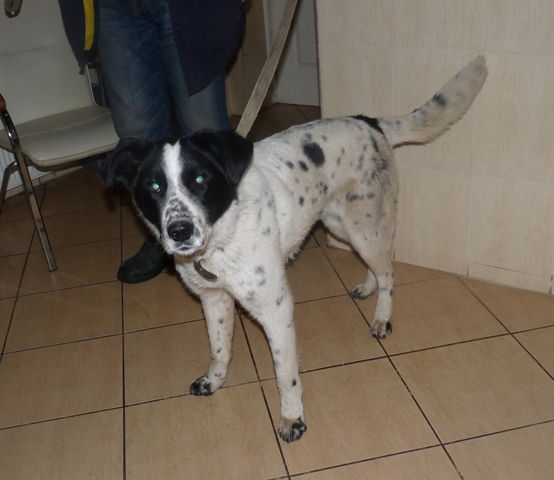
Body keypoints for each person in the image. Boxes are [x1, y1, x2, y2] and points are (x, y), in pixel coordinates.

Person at [58, 0, 246, 283]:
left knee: (204, 122)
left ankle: (235, 233)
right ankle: (163, 232)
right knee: (137, 130)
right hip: (111, 6)